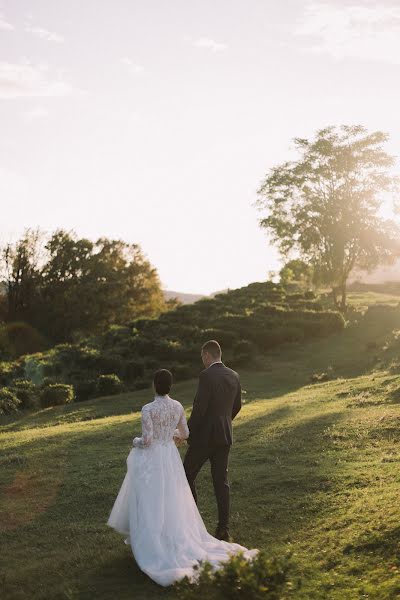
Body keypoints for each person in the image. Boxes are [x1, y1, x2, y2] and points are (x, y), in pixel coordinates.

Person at [107, 368, 256, 587]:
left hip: (153, 458)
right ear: (170, 386)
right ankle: (172, 535)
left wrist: (134, 441)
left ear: (154, 385)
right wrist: (171, 436)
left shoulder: (148, 409)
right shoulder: (177, 406)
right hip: (170, 456)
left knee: (152, 498)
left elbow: (147, 440)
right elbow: (185, 434)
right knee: (172, 498)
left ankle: (153, 540)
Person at [184, 340, 241, 542]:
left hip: (204, 437)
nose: (202, 362)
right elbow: (237, 406)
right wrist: (224, 422)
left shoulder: (206, 375)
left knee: (186, 474)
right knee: (221, 482)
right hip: (225, 436)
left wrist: (187, 432)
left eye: (202, 358)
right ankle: (223, 529)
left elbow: (200, 408)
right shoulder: (234, 375)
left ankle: (194, 525)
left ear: (207, 355)